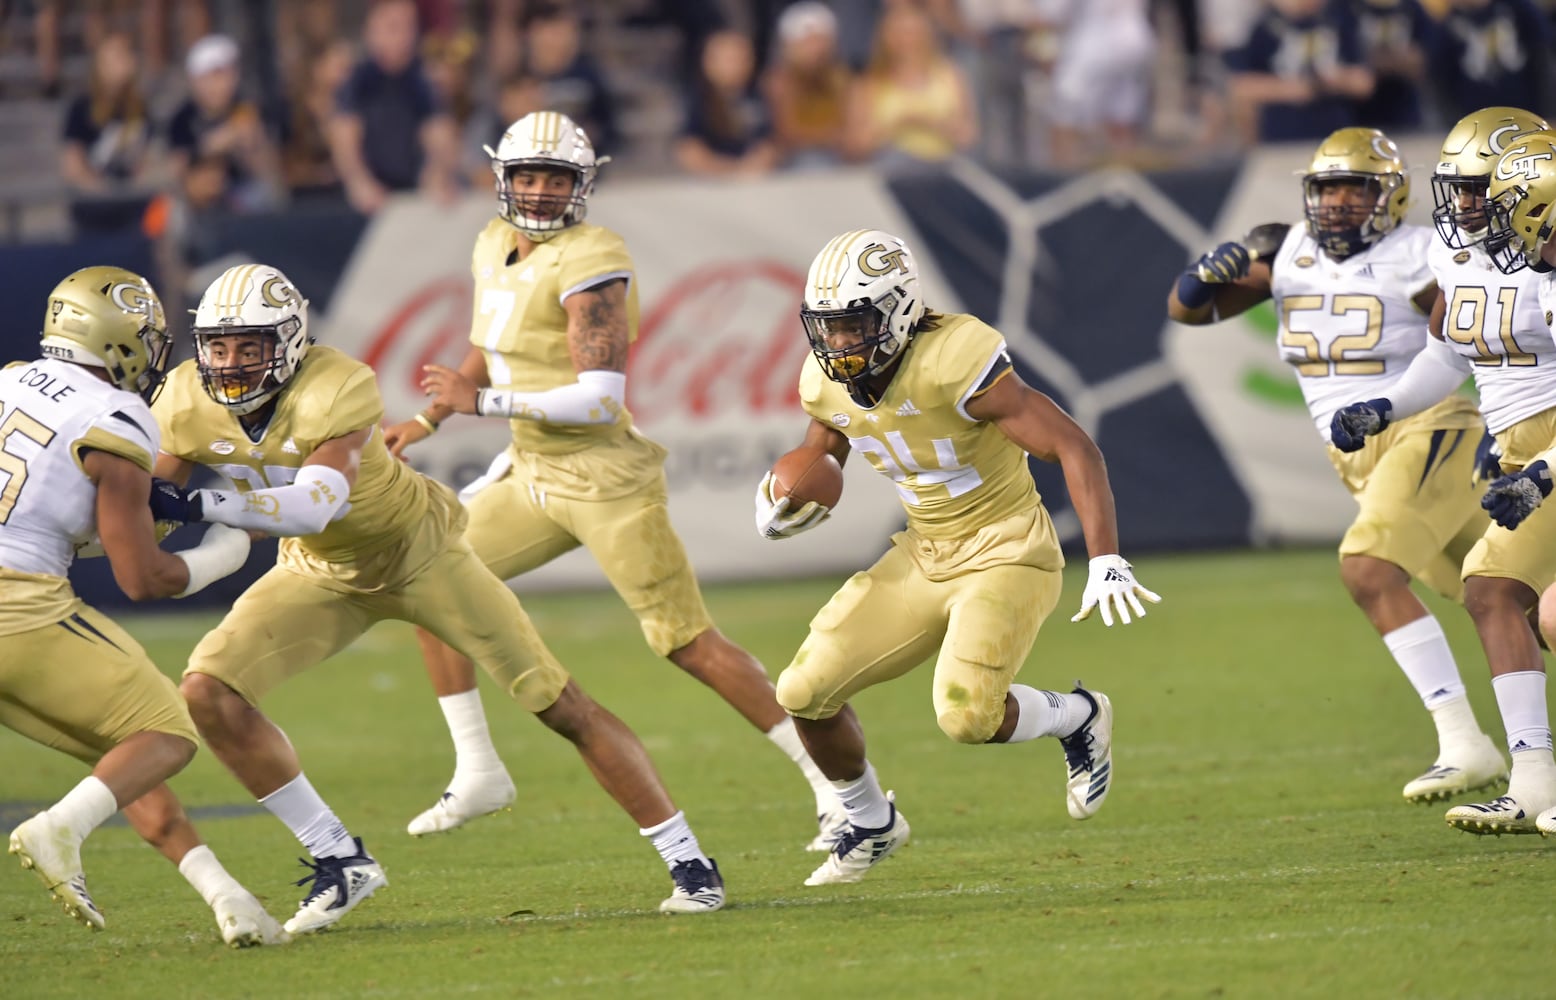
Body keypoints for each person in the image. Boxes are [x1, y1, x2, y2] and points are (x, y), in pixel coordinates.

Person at [148, 263, 727, 931]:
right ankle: (339, 859)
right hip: (320, 572)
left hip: (420, 555)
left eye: (251, 346)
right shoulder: (185, 398)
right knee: (207, 690)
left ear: (291, 342)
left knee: (557, 703)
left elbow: (316, 503)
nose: (232, 362)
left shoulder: (337, 383)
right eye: (220, 346)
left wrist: (196, 502)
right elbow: (152, 509)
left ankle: (689, 862)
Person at [384, 110, 847, 851]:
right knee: (424, 575)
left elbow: (600, 395)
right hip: (532, 471)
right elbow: (484, 350)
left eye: (555, 178)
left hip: (603, 476)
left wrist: (483, 405)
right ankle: (476, 767)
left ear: (582, 184)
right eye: (527, 176)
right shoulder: (491, 244)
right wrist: (427, 420)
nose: (538, 192)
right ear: (502, 179)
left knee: (686, 642)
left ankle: (837, 788)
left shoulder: (593, 255)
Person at [757, 228, 1157, 886]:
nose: (839, 343)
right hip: (923, 553)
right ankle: (870, 820)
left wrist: (1106, 558)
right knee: (802, 692)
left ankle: (1079, 716)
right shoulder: (824, 380)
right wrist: (778, 501)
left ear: (898, 312)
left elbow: (1075, 447)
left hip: (1007, 550)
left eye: (855, 325)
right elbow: (822, 454)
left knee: (967, 716)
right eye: (827, 328)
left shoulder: (954, 359)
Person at [1167, 127, 1508, 804]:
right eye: (1327, 188)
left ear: (1391, 194)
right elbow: (1190, 313)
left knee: (1368, 569)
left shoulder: (1415, 255)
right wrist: (1199, 274)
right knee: (1511, 598)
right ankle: (1512, 754)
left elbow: (1464, 339)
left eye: (1357, 187)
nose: (1339, 203)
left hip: (1427, 432)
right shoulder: (1286, 247)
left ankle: (1463, 741)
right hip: (1359, 459)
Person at [2, 266, 285, 947]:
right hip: (19, 610)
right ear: (120, 339)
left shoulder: (11, 378)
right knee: (169, 734)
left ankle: (228, 896)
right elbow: (141, 578)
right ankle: (59, 832)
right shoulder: (115, 417)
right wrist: (224, 553)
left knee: (119, 758)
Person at [1351, 123, 1556, 834]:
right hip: (1521, 451)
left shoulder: (1549, 259)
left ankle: (1533, 775)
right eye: (1456, 186)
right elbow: (1446, 352)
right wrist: (1388, 405)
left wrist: (1542, 473)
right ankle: (1532, 780)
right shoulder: (1461, 251)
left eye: (1475, 186)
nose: (1461, 202)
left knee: (1495, 587)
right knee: (1515, 602)